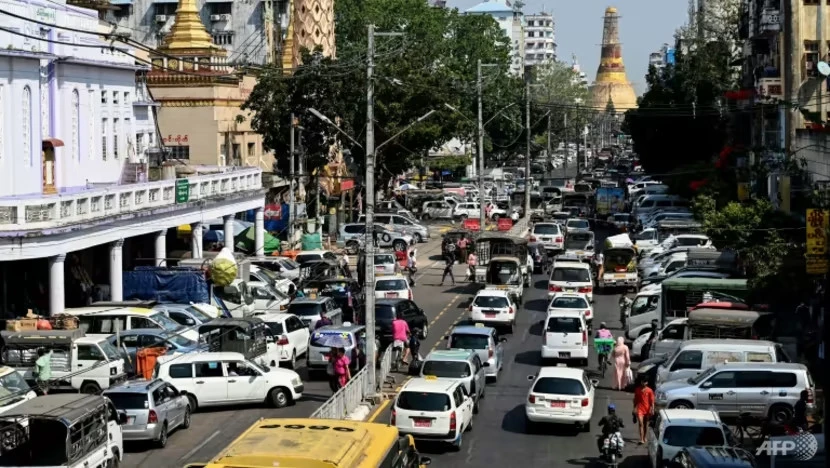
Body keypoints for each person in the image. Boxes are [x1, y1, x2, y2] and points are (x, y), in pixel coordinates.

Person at [633, 377, 656, 444]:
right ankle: (641, 439)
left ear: (647, 383)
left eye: (645, 382)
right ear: (641, 382)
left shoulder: (649, 391)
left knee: (645, 424)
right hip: (639, 409)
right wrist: (634, 408)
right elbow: (635, 400)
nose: (644, 383)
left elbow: (652, 401)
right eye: (643, 381)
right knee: (640, 423)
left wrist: (652, 409)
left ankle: (644, 437)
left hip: (647, 409)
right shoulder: (637, 390)